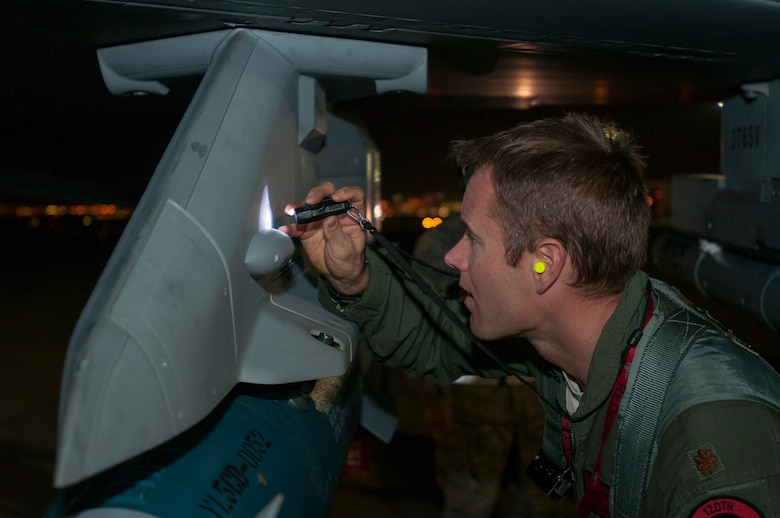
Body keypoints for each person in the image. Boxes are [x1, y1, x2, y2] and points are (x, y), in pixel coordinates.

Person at [283, 113, 780, 517]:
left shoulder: (714, 444)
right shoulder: (581, 330)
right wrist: (353, 279)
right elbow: (434, 336)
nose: (453, 258)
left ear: (546, 264)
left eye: (474, 239)